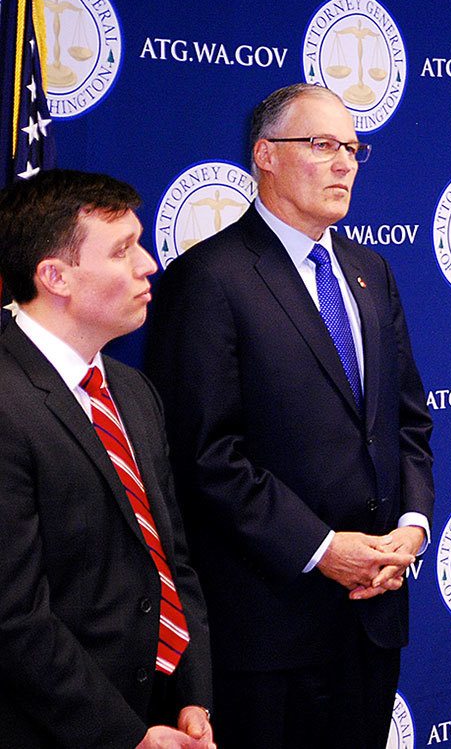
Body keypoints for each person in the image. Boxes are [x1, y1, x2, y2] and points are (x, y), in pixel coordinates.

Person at [145, 84, 435, 748]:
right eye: (323, 145)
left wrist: (411, 530)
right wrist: (325, 548)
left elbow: (407, 420)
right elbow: (205, 455)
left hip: (373, 615)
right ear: (265, 156)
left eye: (354, 148)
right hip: (268, 632)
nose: (345, 164)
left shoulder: (372, 271)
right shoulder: (210, 278)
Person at [0, 170, 214, 748]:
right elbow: (13, 617)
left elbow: (171, 558)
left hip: (161, 711)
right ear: (55, 276)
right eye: (122, 250)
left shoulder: (131, 390)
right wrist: (127, 736)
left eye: (140, 242)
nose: (148, 264)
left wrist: (193, 695)